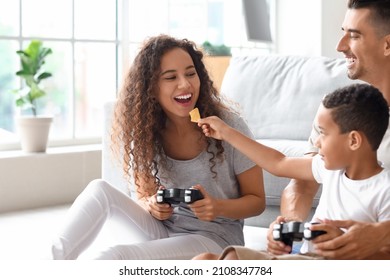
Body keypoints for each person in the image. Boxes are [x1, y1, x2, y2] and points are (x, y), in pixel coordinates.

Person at [51, 34, 265, 259]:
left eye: (191, 73)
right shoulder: (146, 131)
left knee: (115, 257)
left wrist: (218, 207)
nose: (185, 84)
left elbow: (257, 201)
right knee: (99, 190)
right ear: (152, 88)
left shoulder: (227, 126)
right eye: (171, 77)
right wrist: (152, 206)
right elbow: (144, 196)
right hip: (162, 230)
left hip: (213, 238)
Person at [194, 83, 390, 260]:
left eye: (323, 133)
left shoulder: (384, 190)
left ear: (353, 141)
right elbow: (278, 163)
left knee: (229, 261)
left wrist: (344, 246)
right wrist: (225, 132)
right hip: (302, 259)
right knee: (203, 261)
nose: (317, 142)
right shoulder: (329, 170)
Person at [277, 0, 390, 259]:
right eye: (343, 33)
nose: (340, 47)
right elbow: (302, 184)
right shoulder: (340, 107)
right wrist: (291, 227)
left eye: (353, 36)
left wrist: (383, 232)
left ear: (387, 44)